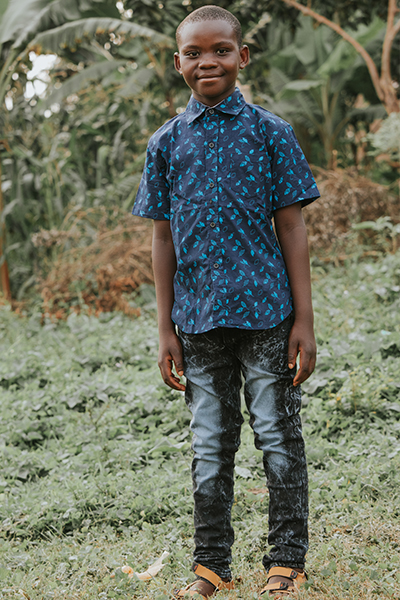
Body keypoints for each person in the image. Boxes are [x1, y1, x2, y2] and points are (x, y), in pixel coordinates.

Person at [132, 5, 320, 598]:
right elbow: (162, 238)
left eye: (219, 50)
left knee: (277, 437)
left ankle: (286, 560)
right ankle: (211, 565)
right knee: (210, 446)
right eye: (193, 53)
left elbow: (292, 226)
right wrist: (164, 328)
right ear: (178, 62)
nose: (206, 61)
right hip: (197, 322)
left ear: (242, 56)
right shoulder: (166, 143)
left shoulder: (271, 133)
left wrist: (304, 319)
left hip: (268, 315)